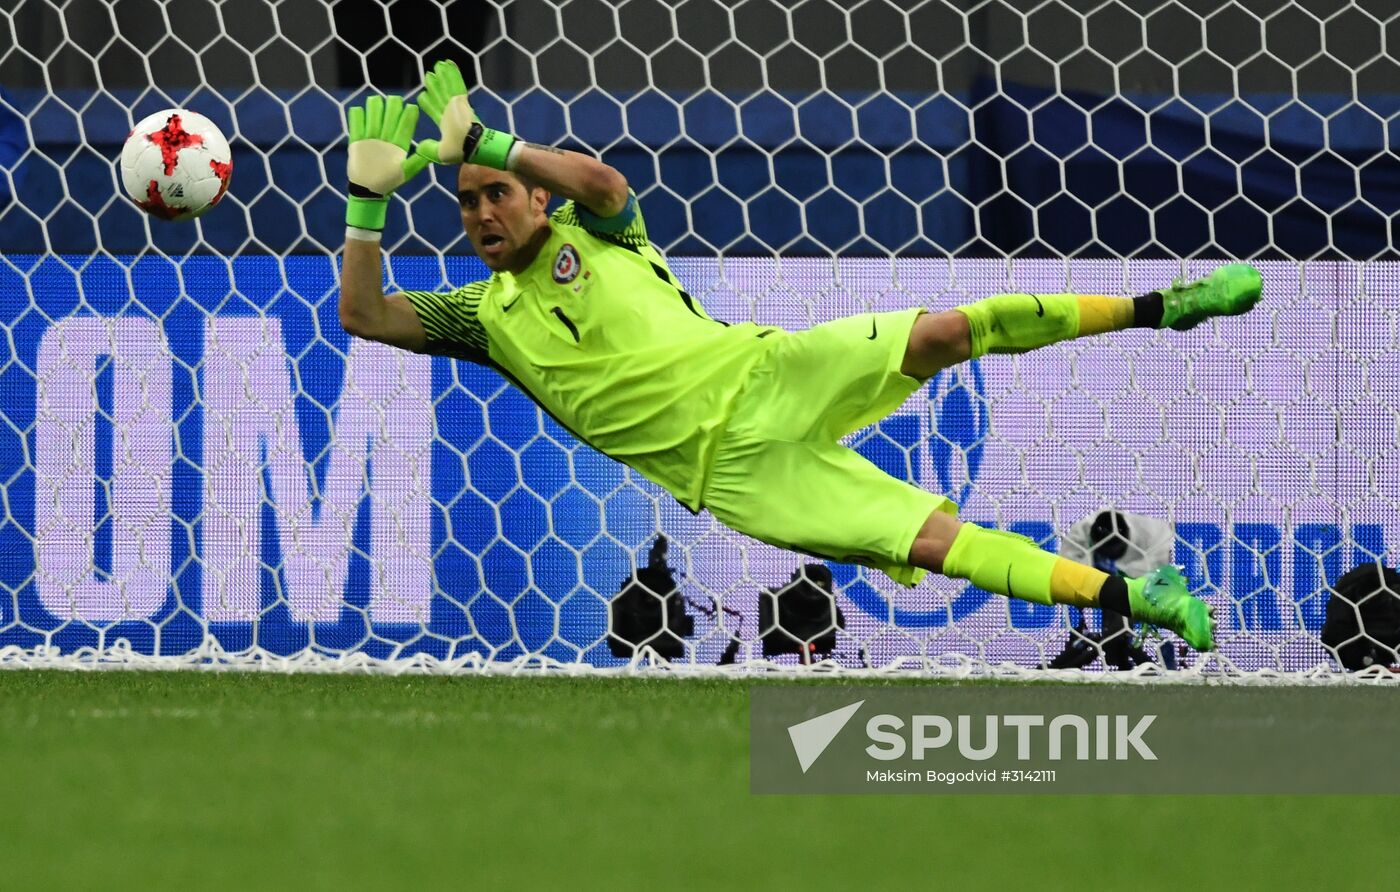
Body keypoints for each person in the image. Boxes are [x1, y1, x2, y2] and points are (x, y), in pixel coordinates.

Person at [337, 61, 1262, 654]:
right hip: (736, 475)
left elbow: (607, 180)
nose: (482, 213)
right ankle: (1141, 597)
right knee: (933, 544)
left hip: (768, 370)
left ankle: (1161, 307)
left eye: (496, 193)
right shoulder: (481, 317)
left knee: (944, 333)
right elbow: (365, 315)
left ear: (536, 198)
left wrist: (484, 141)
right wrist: (366, 205)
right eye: (467, 202)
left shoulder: (599, 230)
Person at [1047, 509, 1178, 670]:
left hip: (1137, 585)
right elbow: (1067, 581)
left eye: (1114, 552)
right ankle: (1081, 646)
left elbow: (1155, 581)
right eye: (1104, 553)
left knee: (1124, 628)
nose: (1109, 557)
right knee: (1100, 627)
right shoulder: (1078, 537)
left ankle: (1137, 654)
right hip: (1096, 582)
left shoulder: (1152, 536)